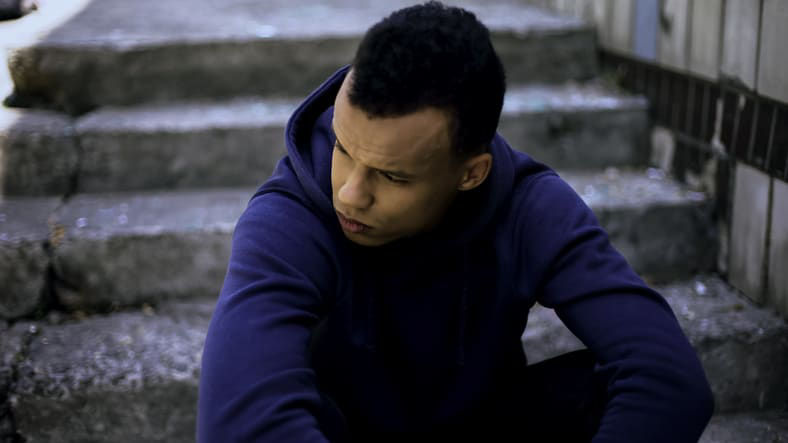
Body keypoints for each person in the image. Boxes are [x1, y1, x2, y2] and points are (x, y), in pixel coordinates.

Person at [197, 2, 714, 442]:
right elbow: (238, 420)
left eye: (392, 177)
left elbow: (669, 379)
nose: (350, 194)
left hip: (482, 427)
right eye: (342, 148)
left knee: (600, 390)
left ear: (471, 174)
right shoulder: (290, 215)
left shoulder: (529, 206)